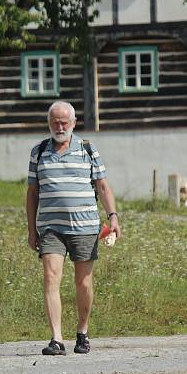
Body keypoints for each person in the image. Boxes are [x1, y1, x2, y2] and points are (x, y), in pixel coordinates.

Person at [26, 101, 121, 356]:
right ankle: (56, 338)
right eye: (54, 122)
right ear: (49, 124)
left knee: (84, 282)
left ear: (73, 123)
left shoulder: (88, 149)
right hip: (50, 227)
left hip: (85, 226)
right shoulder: (39, 151)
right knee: (50, 276)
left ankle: (82, 330)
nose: (59, 127)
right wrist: (31, 229)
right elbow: (32, 192)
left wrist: (113, 217)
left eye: (64, 122)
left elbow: (102, 186)